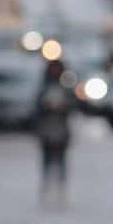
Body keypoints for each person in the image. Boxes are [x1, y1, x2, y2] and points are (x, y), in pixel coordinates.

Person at [34, 57, 74, 206]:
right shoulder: (44, 86)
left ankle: (60, 190)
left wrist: (62, 107)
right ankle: (46, 188)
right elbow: (36, 104)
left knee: (61, 161)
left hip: (61, 130)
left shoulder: (65, 86)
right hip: (46, 129)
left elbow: (72, 105)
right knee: (46, 161)